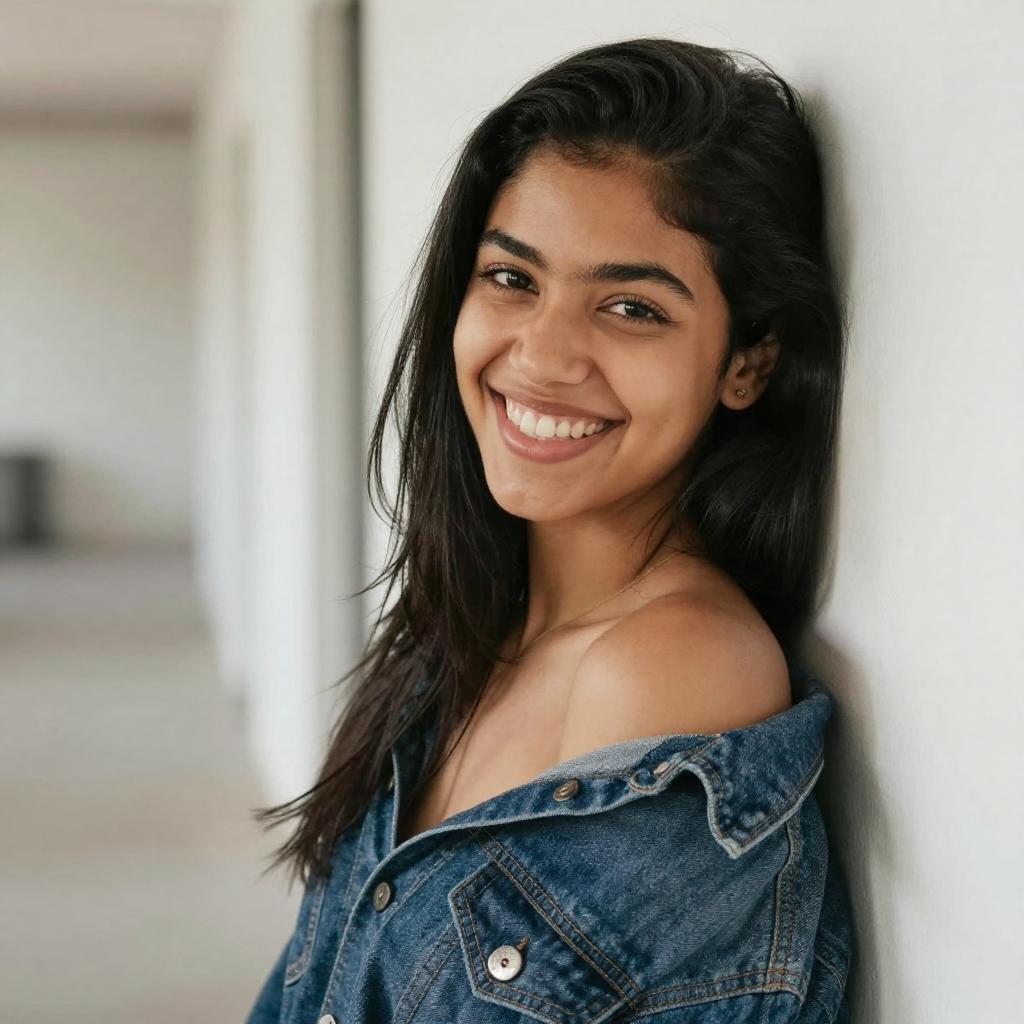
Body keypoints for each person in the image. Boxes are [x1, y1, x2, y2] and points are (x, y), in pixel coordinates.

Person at [245, 36, 854, 1024]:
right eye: (513, 279)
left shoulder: (671, 668)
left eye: (629, 306)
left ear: (746, 362)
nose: (541, 354)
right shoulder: (472, 626)